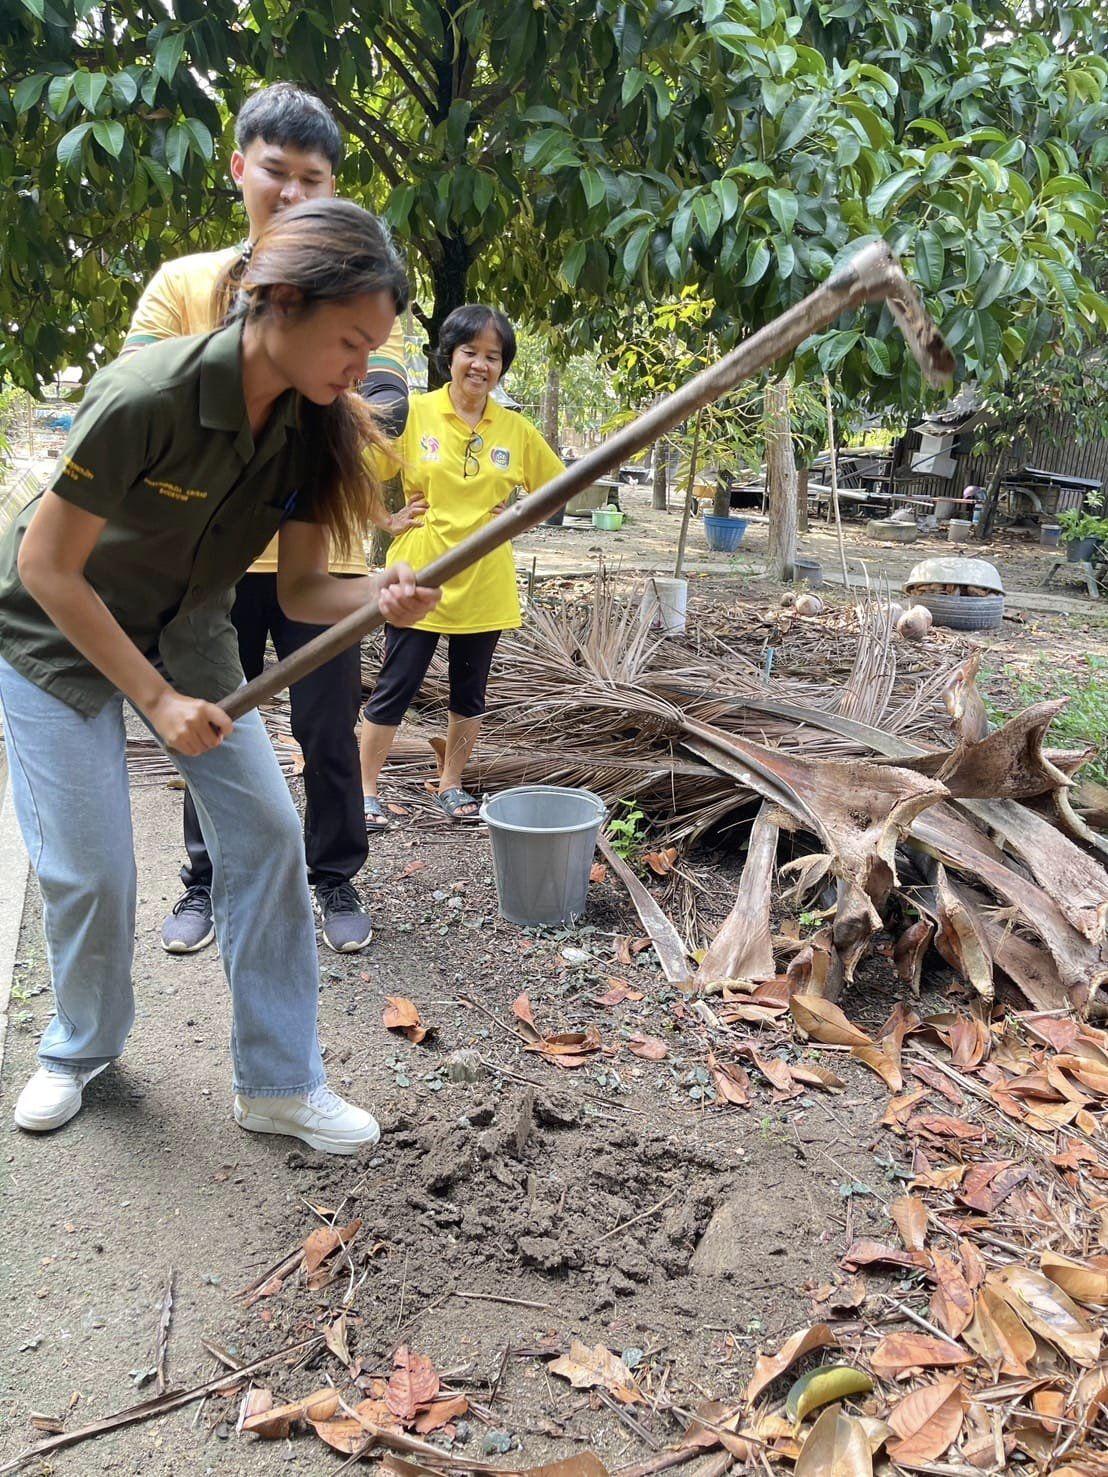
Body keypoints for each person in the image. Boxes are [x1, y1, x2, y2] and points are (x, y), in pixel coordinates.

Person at [0, 199, 440, 1150]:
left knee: (270, 837)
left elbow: (310, 586)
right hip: (52, 636)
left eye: (375, 347)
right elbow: (46, 568)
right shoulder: (145, 395)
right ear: (282, 301)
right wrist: (152, 700)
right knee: (93, 874)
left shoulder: (310, 428)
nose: (364, 368)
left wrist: (383, 598)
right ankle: (79, 1048)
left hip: (190, 635)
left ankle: (279, 1082)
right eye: (353, 341)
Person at [123, 83, 422, 955]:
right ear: (238, 168)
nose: (292, 193)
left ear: (334, 188)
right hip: (204, 570)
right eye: (275, 172)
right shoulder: (184, 283)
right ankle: (204, 879)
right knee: (209, 723)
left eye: (313, 178)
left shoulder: (366, 301)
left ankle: (333, 877)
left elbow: (379, 409)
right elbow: (150, 400)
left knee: (328, 730)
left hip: (314, 565)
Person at [360, 305, 563, 824]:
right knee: (396, 684)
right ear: (449, 356)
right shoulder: (415, 412)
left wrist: (519, 513)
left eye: (492, 357)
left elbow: (561, 491)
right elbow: (356, 468)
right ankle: (364, 790)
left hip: (485, 583)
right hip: (419, 577)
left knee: (470, 689)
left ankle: (451, 784)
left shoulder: (515, 429)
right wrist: (385, 519)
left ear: (502, 367)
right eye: (469, 352)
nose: (480, 365)